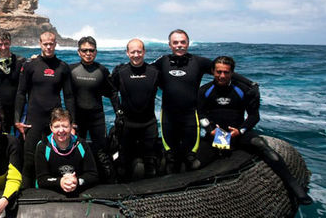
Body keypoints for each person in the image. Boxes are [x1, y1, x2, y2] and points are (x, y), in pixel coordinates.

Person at [198, 56, 312, 204]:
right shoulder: (204, 91)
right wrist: (210, 129)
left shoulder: (243, 90)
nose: (222, 76)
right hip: (217, 135)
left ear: (232, 72)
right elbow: (200, 114)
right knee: (197, 162)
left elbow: (254, 116)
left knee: (262, 146)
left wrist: (240, 131)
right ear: (213, 71)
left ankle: (295, 188)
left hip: (238, 133)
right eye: (219, 72)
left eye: (226, 72)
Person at [151, 29, 251, 172]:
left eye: (182, 42)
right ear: (170, 45)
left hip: (191, 115)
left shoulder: (198, 62)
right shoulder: (162, 61)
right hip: (168, 115)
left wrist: (250, 84)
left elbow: (223, 70)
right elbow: (144, 72)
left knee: (191, 159)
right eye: (175, 42)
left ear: (188, 43)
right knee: (170, 159)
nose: (179, 45)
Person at [14, 30, 76, 185]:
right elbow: (21, 93)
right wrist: (17, 120)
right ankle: (26, 193)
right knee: (29, 160)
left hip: (54, 122)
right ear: (40, 44)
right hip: (33, 120)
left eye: (51, 44)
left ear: (55, 44)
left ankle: (51, 189)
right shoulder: (30, 66)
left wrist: (72, 123)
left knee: (53, 158)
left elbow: (68, 96)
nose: (48, 47)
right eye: (45, 44)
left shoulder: (62, 67)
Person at [110, 38, 161, 179]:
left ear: (144, 52)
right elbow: (111, 91)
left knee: (151, 164)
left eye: (139, 51)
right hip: (127, 124)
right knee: (123, 164)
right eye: (133, 52)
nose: (136, 55)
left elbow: (170, 88)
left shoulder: (154, 72)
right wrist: (117, 110)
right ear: (127, 53)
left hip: (149, 124)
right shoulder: (120, 72)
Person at [69, 36, 117, 159]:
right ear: (79, 52)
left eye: (91, 50)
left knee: (102, 152)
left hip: (97, 118)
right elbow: (53, 70)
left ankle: (106, 177)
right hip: (78, 119)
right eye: (84, 50)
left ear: (96, 52)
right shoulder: (71, 70)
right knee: (77, 151)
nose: (88, 53)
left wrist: (118, 112)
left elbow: (112, 92)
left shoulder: (102, 70)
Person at [35, 108, 98, 196]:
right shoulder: (43, 146)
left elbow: (92, 174)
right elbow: (41, 179)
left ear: (71, 126)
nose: (61, 130)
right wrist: (60, 182)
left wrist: (77, 181)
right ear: (51, 128)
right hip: (52, 193)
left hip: (76, 189)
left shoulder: (81, 145)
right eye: (56, 126)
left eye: (65, 126)